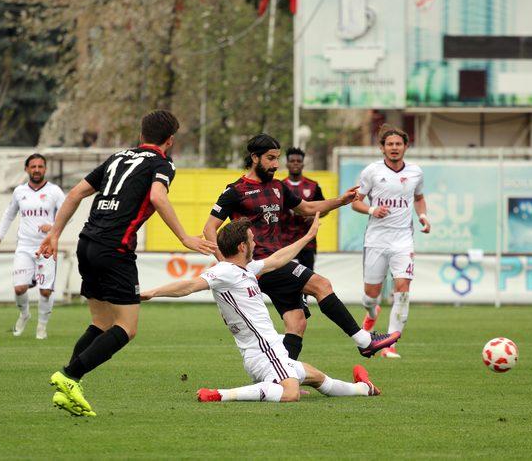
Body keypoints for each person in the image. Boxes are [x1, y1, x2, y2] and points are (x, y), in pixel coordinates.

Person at [37, 110, 217, 417]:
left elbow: (77, 193)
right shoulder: (162, 163)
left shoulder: (116, 158)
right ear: (170, 140)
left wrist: (55, 233)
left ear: (141, 135)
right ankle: (69, 377)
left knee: (101, 323)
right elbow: (158, 197)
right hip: (115, 249)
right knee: (126, 328)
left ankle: (70, 386)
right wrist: (185, 237)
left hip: (87, 243)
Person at [142, 215, 382, 403]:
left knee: (317, 378)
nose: (255, 242)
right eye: (251, 239)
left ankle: (363, 388)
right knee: (290, 393)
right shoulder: (224, 270)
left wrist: (308, 235)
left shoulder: (246, 269)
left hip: (271, 349)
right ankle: (220, 394)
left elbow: (278, 259)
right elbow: (190, 285)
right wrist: (153, 292)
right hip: (263, 351)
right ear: (241, 247)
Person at [203, 133, 400, 361]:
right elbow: (209, 228)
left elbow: (306, 208)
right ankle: (364, 342)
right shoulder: (235, 191)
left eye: (277, 158)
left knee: (296, 322)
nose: (276, 164)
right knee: (321, 285)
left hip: (278, 261)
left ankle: (284, 377)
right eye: (270, 158)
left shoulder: (278, 187)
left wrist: (340, 201)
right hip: (260, 264)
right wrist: (230, 266)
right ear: (255, 158)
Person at [351, 124, 431, 359]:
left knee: (403, 290)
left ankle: (389, 344)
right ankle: (371, 311)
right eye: (390, 144)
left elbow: (419, 198)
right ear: (382, 147)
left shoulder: (416, 172)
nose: (394, 148)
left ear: (406, 146)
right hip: (376, 240)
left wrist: (423, 216)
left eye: (398, 144)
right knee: (370, 295)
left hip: (403, 241)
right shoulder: (371, 172)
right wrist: (372, 209)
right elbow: (356, 202)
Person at [0, 153, 65, 340]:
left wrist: (54, 227)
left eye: (40, 166)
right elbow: (9, 214)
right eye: (33, 166)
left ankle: (42, 326)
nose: (37, 170)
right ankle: (24, 314)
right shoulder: (19, 192)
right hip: (24, 246)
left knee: (45, 291)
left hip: (46, 247)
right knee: (19, 289)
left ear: (45, 169)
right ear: (27, 169)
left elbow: (67, 214)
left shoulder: (55, 191)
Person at [281, 147, 326, 308]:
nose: (295, 164)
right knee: (288, 273)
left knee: (306, 274)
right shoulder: (280, 186)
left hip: (308, 241)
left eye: (298, 161)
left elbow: (324, 208)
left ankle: (303, 302)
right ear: (286, 163)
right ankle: (292, 301)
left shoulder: (313, 186)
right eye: (292, 161)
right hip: (285, 241)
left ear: (303, 164)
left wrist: (314, 215)